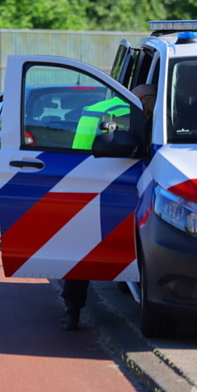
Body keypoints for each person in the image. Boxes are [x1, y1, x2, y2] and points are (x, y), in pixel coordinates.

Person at [59, 84, 156, 330]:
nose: (154, 110)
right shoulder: (125, 113)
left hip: (81, 180)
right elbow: (127, 150)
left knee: (81, 252)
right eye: (155, 102)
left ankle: (72, 310)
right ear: (144, 99)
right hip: (109, 185)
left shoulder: (98, 108)